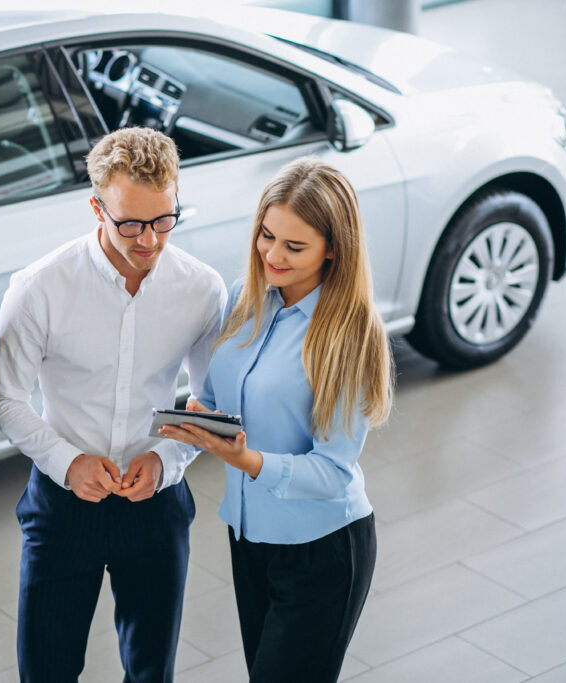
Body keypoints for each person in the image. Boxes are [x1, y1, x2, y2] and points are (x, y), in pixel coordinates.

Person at [0, 126, 228, 682]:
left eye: (164, 220)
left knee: (152, 673)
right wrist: (67, 462)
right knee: (46, 671)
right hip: (61, 508)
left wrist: (169, 460)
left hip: (157, 505)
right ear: (95, 207)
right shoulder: (39, 288)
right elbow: (5, 398)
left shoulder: (202, 289)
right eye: (129, 223)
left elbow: (208, 397)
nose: (148, 239)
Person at [158, 157, 393, 683]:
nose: (272, 254)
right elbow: (216, 397)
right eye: (267, 235)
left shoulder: (348, 336)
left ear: (334, 247)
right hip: (249, 540)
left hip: (322, 551)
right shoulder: (246, 299)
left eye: (294, 246)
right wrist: (195, 425)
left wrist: (247, 459)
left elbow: (333, 471)